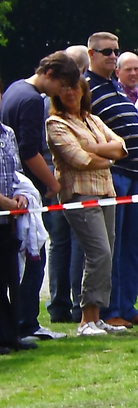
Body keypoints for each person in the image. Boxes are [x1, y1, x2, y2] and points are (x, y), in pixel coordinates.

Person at [2, 52, 80, 342]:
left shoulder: (13, 90)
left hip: (12, 190)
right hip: (27, 192)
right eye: (62, 84)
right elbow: (29, 150)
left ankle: (20, 321)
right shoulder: (34, 99)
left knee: (18, 259)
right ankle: (28, 322)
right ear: (50, 74)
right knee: (35, 254)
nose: (61, 92)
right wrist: (53, 184)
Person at [45, 73, 128, 336]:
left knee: (108, 254)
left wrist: (93, 147)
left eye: (75, 87)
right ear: (57, 93)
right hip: (80, 194)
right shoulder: (55, 123)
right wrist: (105, 155)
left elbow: (121, 147)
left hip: (106, 191)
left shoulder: (93, 120)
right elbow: (78, 158)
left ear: (83, 91)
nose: (70, 93)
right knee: (98, 253)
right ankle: (85, 319)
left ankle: (97, 316)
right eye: (65, 88)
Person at [83, 32, 138, 328]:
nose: (113, 56)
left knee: (135, 244)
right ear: (91, 55)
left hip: (137, 173)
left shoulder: (117, 86)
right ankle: (109, 309)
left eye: (116, 51)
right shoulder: (85, 88)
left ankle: (127, 305)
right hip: (114, 173)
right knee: (114, 244)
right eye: (106, 52)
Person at [0, 120, 35, 353]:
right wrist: (8, 203)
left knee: (10, 279)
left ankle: (11, 336)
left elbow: (17, 174)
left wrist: (21, 195)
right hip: (5, 209)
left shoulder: (8, 133)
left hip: (7, 222)